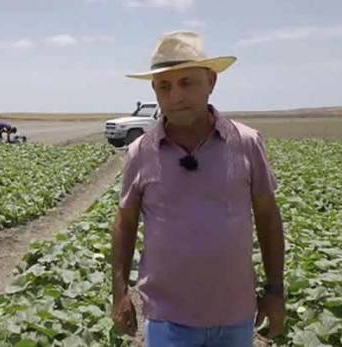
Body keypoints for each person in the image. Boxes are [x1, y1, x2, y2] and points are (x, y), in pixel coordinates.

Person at [111, 31, 286, 346]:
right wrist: (119, 292)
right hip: (168, 318)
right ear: (155, 91)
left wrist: (275, 291)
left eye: (187, 82)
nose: (176, 96)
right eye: (164, 86)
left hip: (236, 314)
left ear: (211, 82)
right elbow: (125, 222)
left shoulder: (246, 143)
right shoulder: (141, 151)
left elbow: (268, 217)